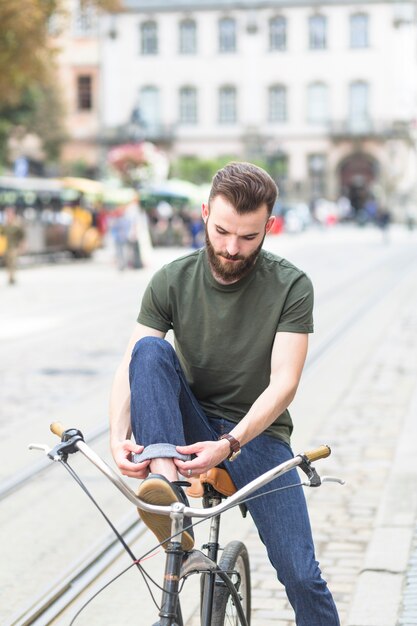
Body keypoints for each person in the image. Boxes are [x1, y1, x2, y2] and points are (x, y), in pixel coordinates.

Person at [110, 162, 340, 625]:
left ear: (268, 227)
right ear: (204, 215)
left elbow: (284, 383)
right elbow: (132, 363)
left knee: (302, 575)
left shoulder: (291, 286)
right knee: (151, 350)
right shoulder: (172, 279)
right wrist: (118, 437)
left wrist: (231, 443)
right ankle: (167, 491)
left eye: (248, 237)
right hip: (187, 427)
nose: (232, 248)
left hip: (256, 436)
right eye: (222, 232)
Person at [0, 206, 25, 285]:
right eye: (7, 213)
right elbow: (2, 234)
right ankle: (10, 276)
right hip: (6, 246)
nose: (9, 214)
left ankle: (12, 277)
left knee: (13, 262)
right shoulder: (4, 223)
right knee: (7, 262)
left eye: (10, 212)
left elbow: (22, 235)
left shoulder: (17, 223)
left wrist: (23, 245)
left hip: (14, 246)